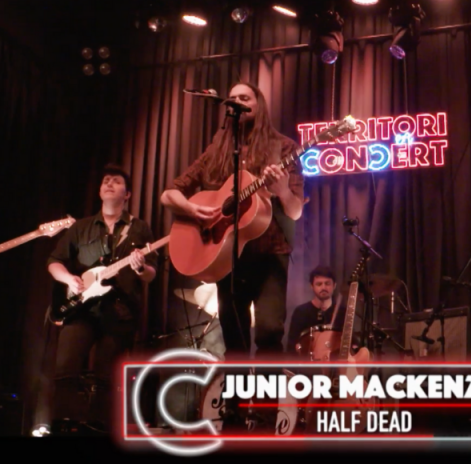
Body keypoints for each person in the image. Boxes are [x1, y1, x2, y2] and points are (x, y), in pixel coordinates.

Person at [161, 81, 304, 360]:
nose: (238, 102)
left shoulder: (284, 147)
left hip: (270, 253)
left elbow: (295, 211)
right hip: (226, 255)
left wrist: (283, 190)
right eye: (233, 98)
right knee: (234, 340)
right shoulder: (216, 151)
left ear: (259, 105)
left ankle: (267, 391)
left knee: (269, 333)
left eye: (245, 98)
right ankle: (235, 390)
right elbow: (169, 194)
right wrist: (192, 209)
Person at [46, 164, 157, 432]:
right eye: (105, 180)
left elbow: (151, 274)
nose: (109, 183)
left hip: (119, 312)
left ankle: (100, 429)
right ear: (99, 191)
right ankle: (64, 426)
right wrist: (69, 279)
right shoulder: (81, 227)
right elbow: (54, 262)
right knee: (65, 370)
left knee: (107, 378)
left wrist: (140, 267)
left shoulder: (139, 229)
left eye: (116, 181)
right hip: (80, 311)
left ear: (127, 194)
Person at [287, 266, 345, 358]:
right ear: (312, 286)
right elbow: (291, 348)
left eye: (327, 283)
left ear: (334, 285)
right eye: (319, 284)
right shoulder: (301, 312)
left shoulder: (342, 312)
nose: (323, 287)